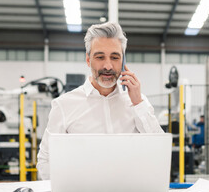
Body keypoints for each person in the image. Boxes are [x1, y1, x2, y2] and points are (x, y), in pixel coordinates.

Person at [37, 22, 164, 180]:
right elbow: (46, 160)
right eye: (100, 57)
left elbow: (159, 151)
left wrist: (138, 104)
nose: (108, 66)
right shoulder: (64, 105)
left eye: (115, 57)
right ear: (88, 60)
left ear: (123, 61)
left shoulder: (138, 102)